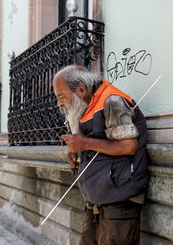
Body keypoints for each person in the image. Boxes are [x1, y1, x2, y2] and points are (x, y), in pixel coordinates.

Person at [53, 65, 148, 245]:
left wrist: (85, 143)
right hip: (97, 197)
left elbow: (128, 146)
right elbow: (94, 138)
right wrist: (75, 148)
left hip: (119, 199)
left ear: (80, 89)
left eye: (60, 97)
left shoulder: (111, 101)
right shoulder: (88, 106)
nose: (59, 103)